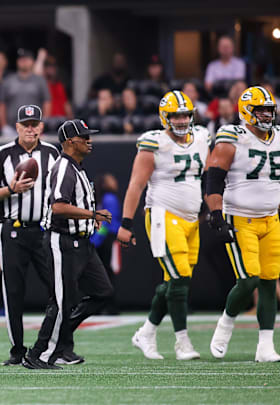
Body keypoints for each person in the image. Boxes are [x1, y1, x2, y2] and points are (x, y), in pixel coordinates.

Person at [117, 91, 209, 361]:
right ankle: (182, 343)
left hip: (191, 220)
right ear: (164, 117)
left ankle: (146, 332)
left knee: (177, 280)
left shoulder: (203, 137)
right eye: (176, 116)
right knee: (179, 277)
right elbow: (136, 184)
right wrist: (126, 223)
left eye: (185, 115)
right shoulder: (154, 143)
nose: (181, 120)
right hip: (162, 215)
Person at [23, 119, 114, 370]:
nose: (89, 140)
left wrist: (89, 220)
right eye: (84, 137)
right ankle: (39, 354)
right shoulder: (63, 167)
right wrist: (92, 215)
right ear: (70, 142)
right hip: (62, 241)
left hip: (82, 242)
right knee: (62, 300)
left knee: (102, 292)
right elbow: (58, 207)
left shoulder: (78, 167)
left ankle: (62, 337)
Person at [206, 86, 280, 362]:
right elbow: (213, 177)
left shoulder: (279, 137)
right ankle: (225, 324)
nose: (266, 115)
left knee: (270, 282)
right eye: (260, 110)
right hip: (240, 217)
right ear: (247, 111)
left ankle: (265, 346)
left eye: (268, 109)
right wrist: (215, 213)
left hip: (271, 218)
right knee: (249, 280)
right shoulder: (232, 136)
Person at [0, 105, 59, 365]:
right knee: (13, 292)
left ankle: (53, 347)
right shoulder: (3, 153)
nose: (30, 128)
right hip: (13, 229)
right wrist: (10, 189)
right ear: (16, 127)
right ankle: (17, 350)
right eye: (25, 123)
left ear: (41, 127)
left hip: (44, 230)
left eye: (34, 123)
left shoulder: (52, 153)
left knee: (58, 289)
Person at [0, 49, 51, 137]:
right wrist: (4, 126)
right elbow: (1, 104)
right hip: (12, 128)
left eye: (26, 59)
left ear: (32, 61)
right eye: (21, 59)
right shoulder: (8, 80)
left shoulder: (40, 80)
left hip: (34, 128)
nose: (23, 62)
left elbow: (47, 102)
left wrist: (43, 124)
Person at [89, 173, 121, 314]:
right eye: (110, 180)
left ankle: (110, 306)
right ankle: (106, 305)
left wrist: (95, 241)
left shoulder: (109, 198)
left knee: (107, 271)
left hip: (108, 239)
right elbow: (105, 222)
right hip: (106, 238)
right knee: (105, 272)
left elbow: (106, 223)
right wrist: (96, 240)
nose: (114, 182)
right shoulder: (107, 198)